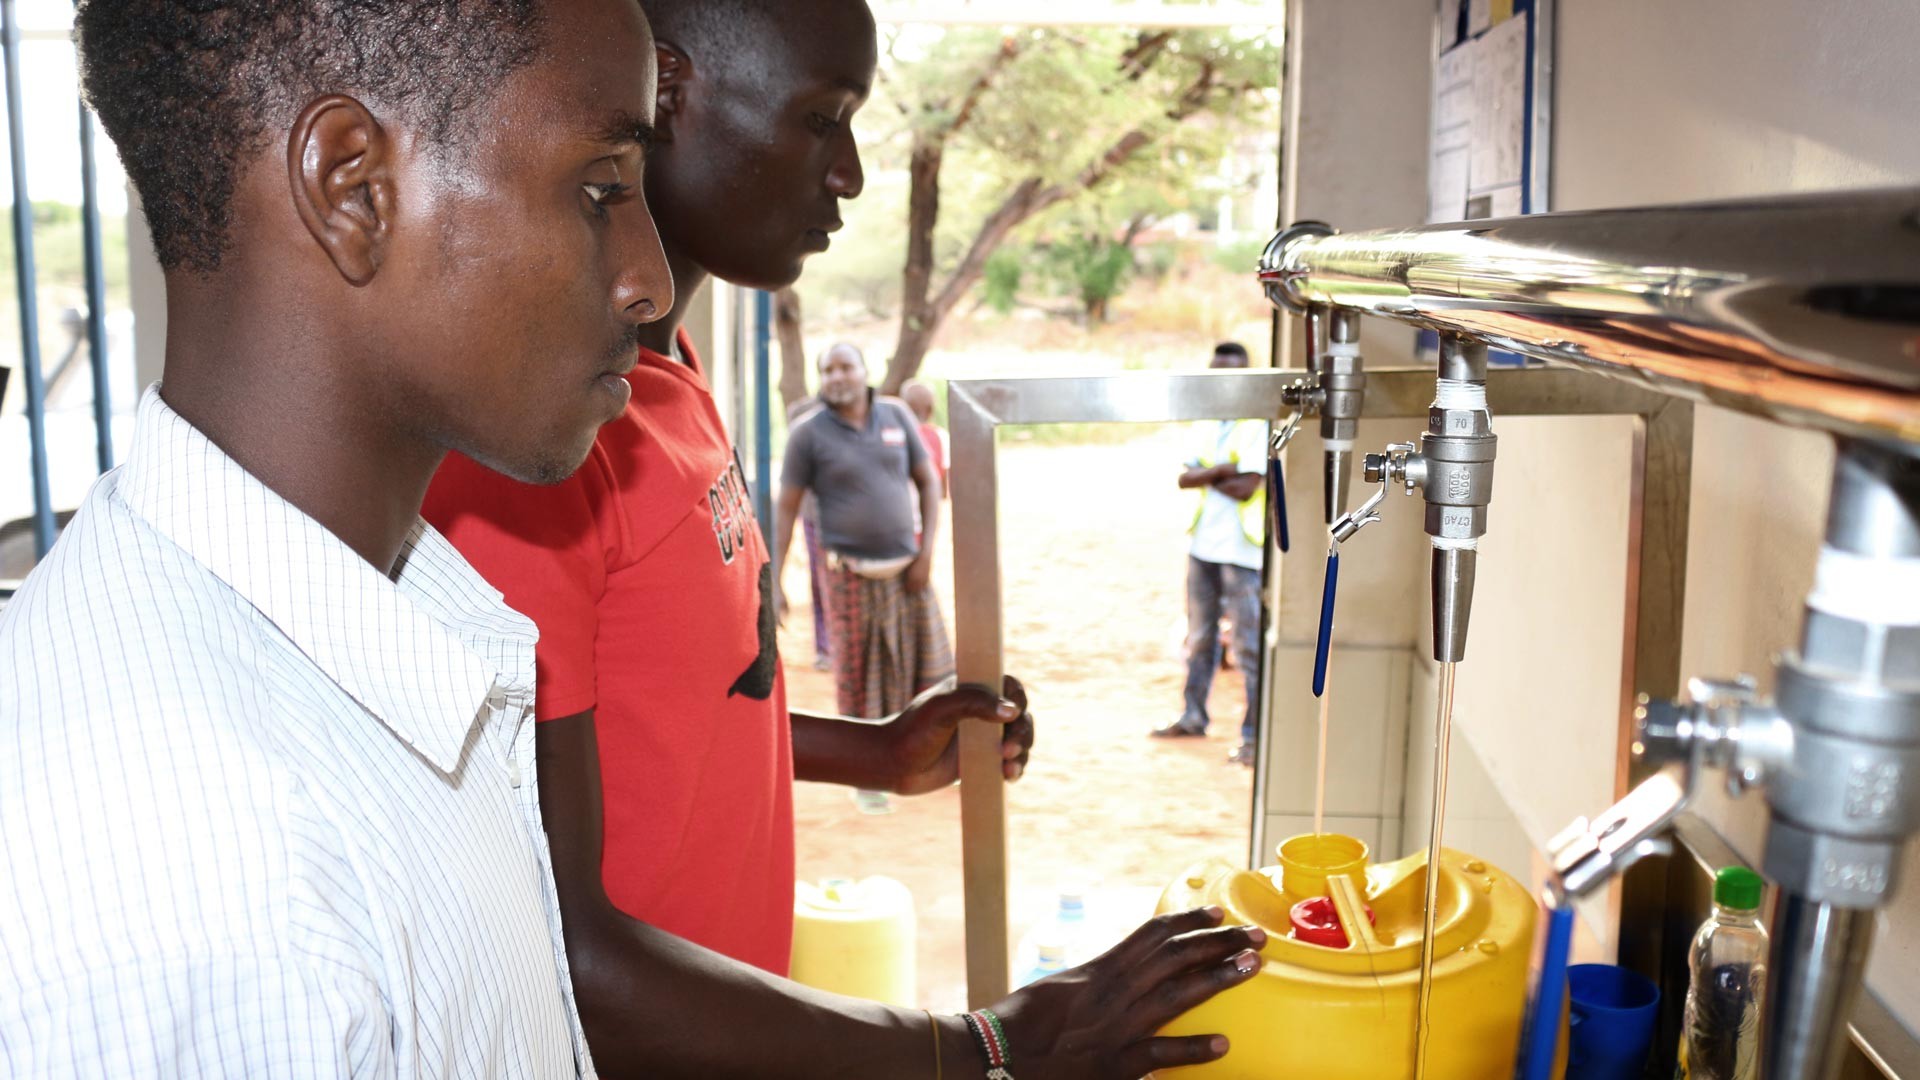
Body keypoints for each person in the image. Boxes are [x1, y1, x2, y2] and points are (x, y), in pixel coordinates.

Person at [424, 1, 1265, 1075]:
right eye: (822, 119)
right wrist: (989, 1048)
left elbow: (659, 717)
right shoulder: (543, 453)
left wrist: (862, 749)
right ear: (668, 94)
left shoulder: (667, 378)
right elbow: (570, 957)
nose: (852, 173)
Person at [0, 0, 677, 1072]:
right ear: (352, 189)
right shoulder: (197, 878)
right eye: (600, 191)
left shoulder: (385, 620)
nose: (652, 279)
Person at [775, 343, 953, 724]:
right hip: (847, 576)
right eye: (827, 370)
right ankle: (869, 775)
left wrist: (926, 557)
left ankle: (928, 758)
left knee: (927, 671)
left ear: (864, 370)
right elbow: (786, 508)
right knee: (858, 679)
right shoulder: (806, 434)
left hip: (908, 571)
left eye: (845, 366)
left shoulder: (896, 415)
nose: (837, 376)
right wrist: (774, 581)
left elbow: (929, 482)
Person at [1153, 341, 1269, 767]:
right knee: (1199, 638)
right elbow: (1185, 479)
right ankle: (1192, 716)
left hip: (1242, 552)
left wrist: (1209, 473)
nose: (1224, 380)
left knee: (1247, 647)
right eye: (1218, 371)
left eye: (1233, 372)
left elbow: (1247, 489)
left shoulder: (1259, 422)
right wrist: (1224, 469)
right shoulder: (1204, 421)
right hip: (1203, 546)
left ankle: (1253, 738)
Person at [788, 394, 835, 669]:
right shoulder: (803, 415)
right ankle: (825, 649)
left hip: (841, 520)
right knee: (820, 584)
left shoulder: (844, 413)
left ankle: (835, 649)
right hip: (814, 519)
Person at [903, 378, 950, 499]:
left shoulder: (896, 435)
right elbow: (944, 483)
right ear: (931, 409)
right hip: (932, 501)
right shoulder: (941, 435)